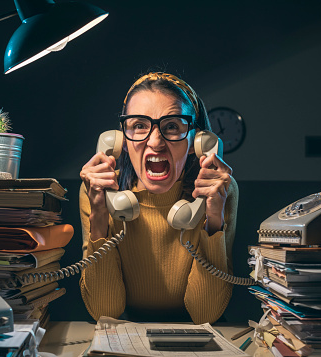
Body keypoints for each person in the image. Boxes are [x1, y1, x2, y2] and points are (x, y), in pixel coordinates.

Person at [79, 72, 238, 324]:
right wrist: (100, 215)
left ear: (197, 140)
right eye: (139, 125)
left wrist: (213, 220)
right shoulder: (101, 189)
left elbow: (205, 313)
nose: (155, 142)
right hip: (126, 338)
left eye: (172, 126)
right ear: (120, 138)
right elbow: (104, 310)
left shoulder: (218, 190)